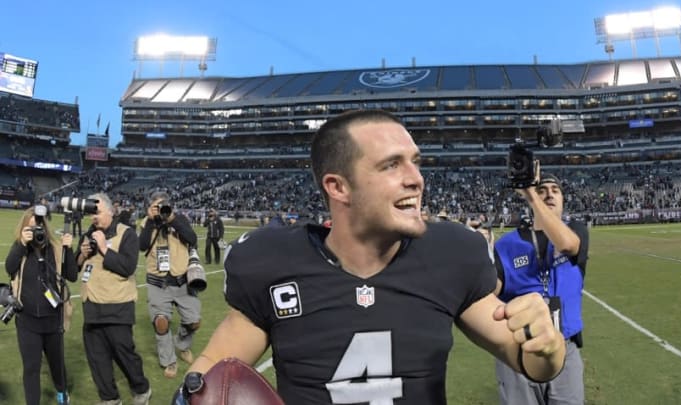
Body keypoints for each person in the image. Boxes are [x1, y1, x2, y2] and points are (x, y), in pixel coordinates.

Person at [173, 110, 566, 405]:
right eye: (391, 164)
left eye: (415, 161)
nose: (416, 177)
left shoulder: (450, 254)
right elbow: (212, 368)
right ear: (338, 186)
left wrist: (547, 346)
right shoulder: (274, 263)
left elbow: (527, 360)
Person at [493, 171, 589, 405]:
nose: (549, 195)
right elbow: (491, 291)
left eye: (555, 191)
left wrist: (532, 195)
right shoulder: (506, 244)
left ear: (563, 199)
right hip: (519, 350)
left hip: (564, 346)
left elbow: (567, 245)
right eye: (542, 190)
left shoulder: (576, 230)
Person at [75, 192, 152, 405]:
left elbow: (127, 268)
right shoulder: (89, 234)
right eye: (91, 213)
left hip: (117, 307)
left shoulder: (126, 233)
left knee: (124, 354)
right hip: (91, 307)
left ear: (110, 210)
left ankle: (141, 388)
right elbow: (73, 269)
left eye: (97, 211)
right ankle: (109, 398)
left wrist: (103, 248)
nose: (93, 217)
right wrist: (81, 255)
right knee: (97, 360)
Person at [5, 206, 78, 405]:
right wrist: (21, 243)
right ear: (23, 229)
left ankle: (62, 392)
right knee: (31, 368)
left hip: (53, 321)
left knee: (57, 364)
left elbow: (71, 275)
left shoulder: (54, 249)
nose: (36, 232)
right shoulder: (20, 249)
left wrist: (68, 249)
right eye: (30, 228)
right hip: (27, 321)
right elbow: (9, 268)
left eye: (39, 227)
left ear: (45, 228)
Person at [139, 191, 201, 379]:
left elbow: (192, 239)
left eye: (163, 205)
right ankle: (169, 360)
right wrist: (151, 220)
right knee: (161, 322)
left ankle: (182, 345)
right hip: (158, 283)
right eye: (156, 206)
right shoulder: (145, 223)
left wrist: (172, 219)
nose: (160, 209)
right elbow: (141, 246)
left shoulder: (179, 219)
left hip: (182, 282)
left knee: (194, 322)